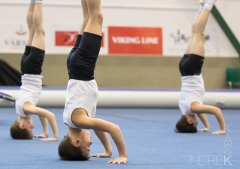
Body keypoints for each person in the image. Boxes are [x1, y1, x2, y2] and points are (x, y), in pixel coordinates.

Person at [58, 0, 127, 164]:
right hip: (74, 66)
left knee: (96, 15)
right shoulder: (72, 122)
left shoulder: (80, 121)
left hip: (83, 66)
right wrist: (108, 151)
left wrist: (122, 155)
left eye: (87, 147)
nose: (90, 145)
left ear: (76, 142)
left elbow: (113, 128)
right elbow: (97, 127)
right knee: (88, 16)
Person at [10, 0, 58, 141]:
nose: (33, 125)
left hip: (33, 68)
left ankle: (38, 2)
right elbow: (41, 113)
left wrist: (55, 136)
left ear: (22, 125)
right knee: (31, 29)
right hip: (25, 69)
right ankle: (32, 2)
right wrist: (45, 132)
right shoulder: (21, 109)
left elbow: (49, 115)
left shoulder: (26, 109)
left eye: (31, 128)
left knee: (39, 30)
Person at [175, 0, 226, 134]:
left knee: (199, 34)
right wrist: (208, 126)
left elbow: (216, 110)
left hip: (193, 69)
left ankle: (209, 4)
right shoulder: (185, 108)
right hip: (184, 69)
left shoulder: (194, 107)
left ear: (190, 121)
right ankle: (201, 6)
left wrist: (222, 129)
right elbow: (200, 111)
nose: (197, 121)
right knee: (194, 34)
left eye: (195, 123)